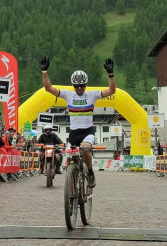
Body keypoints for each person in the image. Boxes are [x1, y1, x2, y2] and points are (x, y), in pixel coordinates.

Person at [41, 56, 116, 188]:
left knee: (85, 149)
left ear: (86, 85)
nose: (79, 88)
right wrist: (44, 72)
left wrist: (110, 74)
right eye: (77, 86)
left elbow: (111, 91)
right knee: (70, 158)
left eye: (82, 86)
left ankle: (91, 172)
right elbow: (48, 88)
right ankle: (72, 187)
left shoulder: (92, 94)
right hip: (74, 133)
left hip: (88, 131)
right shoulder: (67, 95)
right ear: (73, 85)